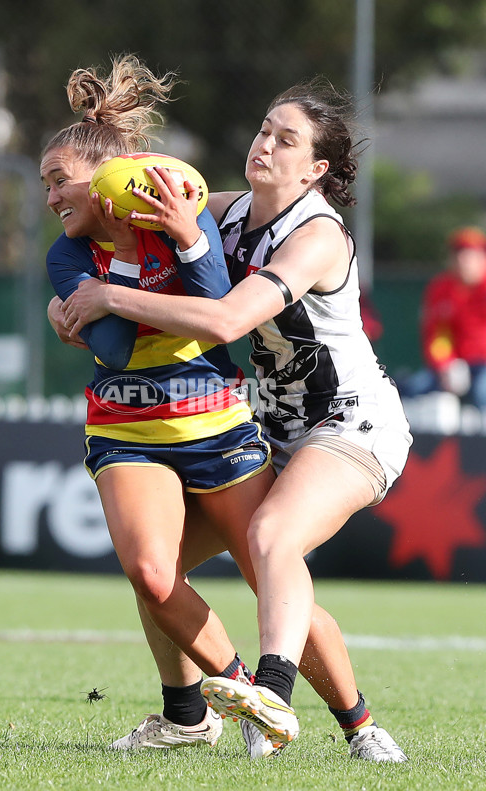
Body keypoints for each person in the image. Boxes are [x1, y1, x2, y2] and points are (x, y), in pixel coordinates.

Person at [59, 75, 412, 757]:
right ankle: (191, 716)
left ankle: (271, 696)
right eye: (263, 129)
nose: (265, 144)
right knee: (157, 573)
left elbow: (225, 320)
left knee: (272, 538)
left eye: (287, 139)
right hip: (273, 428)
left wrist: (109, 297)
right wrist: (85, 197)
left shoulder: (317, 235)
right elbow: (129, 205)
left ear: (315, 170)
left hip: (349, 423)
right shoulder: (224, 210)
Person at [400, 226, 486, 408]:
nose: (464, 260)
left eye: (471, 254)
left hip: (483, 365)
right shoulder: (441, 288)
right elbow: (438, 335)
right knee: (414, 388)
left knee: (482, 391)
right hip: (456, 366)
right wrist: (446, 364)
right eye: (459, 254)